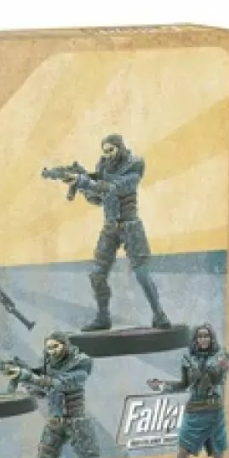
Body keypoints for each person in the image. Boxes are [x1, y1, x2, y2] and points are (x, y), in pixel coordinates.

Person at [4, 332, 124, 458]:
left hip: (77, 423)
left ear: (65, 345)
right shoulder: (49, 365)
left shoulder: (81, 363)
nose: (52, 351)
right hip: (55, 422)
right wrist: (24, 378)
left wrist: (28, 375)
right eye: (49, 348)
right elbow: (43, 391)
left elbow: (60, 383)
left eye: (55, 347)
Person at [65, 134, 171, 331]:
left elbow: (115, 187)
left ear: (120, 148)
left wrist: (85, 181)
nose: (108, 155)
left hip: (131, 226)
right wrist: (81, 185)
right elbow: (98, 199)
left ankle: (159, 314)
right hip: (110, 227)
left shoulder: (134, 165)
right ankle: (103, 318)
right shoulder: (103, 168)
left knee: (141, 273)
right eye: (105, 151)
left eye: (111, 150)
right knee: (97, 274)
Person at [148, 322, 229, 458]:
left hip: (214, 412)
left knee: (219, 456)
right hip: (194, 411)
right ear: (196, 339)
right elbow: (183, 384)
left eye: (206, 336)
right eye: (200, 336)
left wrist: (222, 365)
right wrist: (162, 385)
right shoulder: (188, 359)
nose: (203, 339)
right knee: (182, 455)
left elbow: (219, 374)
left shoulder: (222, 356)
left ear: (211, 338)